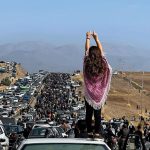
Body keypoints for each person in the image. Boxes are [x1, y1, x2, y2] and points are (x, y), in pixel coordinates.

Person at [83, 31, 112, 138]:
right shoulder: (103, 63)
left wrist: (88, 38)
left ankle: (89, 130)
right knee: (98, 113)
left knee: (88, 113)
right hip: (99, 94)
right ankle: (97, 132)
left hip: (89, 93)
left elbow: (86, 50)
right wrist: (97, 38)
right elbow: (102, 52)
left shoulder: (87, 62)